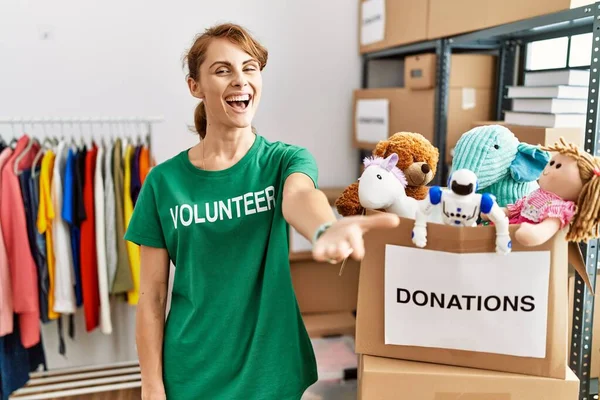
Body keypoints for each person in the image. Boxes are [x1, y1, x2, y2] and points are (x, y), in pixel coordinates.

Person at [124, 22, 399, 400]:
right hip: (190, 372)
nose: (241, 80)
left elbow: (299, 197)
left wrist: (324, 229)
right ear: (195, 86)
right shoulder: (163, 183)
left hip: (269, 369)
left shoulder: (283, 161)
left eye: (250, 68)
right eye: (223, 70)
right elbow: (152, 296)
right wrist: (151, 384)